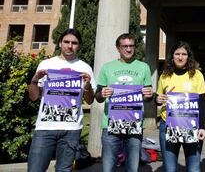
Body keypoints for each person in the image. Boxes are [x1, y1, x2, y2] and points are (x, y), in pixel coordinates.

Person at [28, 28, 96, 172]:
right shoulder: (46, 65)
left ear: (79, 45)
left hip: (71, 130)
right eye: (66, 42)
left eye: (74, 43)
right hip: (45, 128)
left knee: (64, 170)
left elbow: (90, 101)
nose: (70, 46)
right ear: (60, 43)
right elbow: (34, 97)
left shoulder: (85, 68)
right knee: (35, 169)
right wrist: (34, 81)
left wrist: (88, 87)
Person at [95, 33, 153, 172]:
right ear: (118, 48)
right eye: (125, 46)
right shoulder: (107, 67)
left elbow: (148, 97)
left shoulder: (144, 67)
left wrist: (148, 95)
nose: (128, 49)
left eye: (131, 46)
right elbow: (97, 96)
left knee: (132, 168)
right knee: (108, 168)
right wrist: (102, 94)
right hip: (110, 125)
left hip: (134, 125)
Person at [155, 41, 205, 172]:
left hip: (192, 126)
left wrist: (202, 127)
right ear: (172, 56)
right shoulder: (165, 75)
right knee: (170, 169)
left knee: (194, 168)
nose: (180, 57)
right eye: (177, 54)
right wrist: (157, 99)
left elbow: (201, 102)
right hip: (168, 125)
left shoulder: (197, 75)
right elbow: (158, 97)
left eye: (184, 54)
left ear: (188, 56)